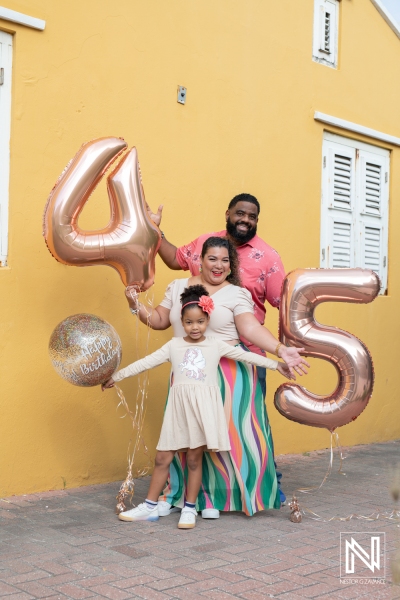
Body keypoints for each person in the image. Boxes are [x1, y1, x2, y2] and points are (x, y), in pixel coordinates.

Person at [125, 237, 309, 519]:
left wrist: (281, 350)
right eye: (213, 258)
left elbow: (249, 327)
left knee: (227, 439)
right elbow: (159, 320)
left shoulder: (236, 293)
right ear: (199, 259)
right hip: (188, 372)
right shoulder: (177, 288)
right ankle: (185, 497)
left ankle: (219, 499)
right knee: (185, 436)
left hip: (230, 375)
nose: (219, 265)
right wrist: (135, 304)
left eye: (225, 260)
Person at [102, 285, 293, 529]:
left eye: (200, 322)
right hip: (178, 410)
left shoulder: (215, 345)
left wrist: (278, 365)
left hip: (203, 410)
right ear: (181, 322)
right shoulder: (173, 347)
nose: (195, 327)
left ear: (207, 321)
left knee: (194, 459)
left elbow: (247, 357)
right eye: (189, 322)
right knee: (163, 458)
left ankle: (190, 509)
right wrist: (116, 376)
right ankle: (149, 506)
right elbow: (145, 363)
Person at [146, 193, 288, 502]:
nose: (245, 220)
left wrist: (282, 348)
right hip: (196, 357)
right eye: (240, 213)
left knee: (244, 426)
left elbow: (284, 304)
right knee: (197, 427)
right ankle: (199, 496)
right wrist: (154, 231)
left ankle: (258, 487)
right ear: (228, 213)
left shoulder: (268, 257)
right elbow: (173, 258)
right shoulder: (204, 243)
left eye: (252, 216)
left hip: (246, 354)